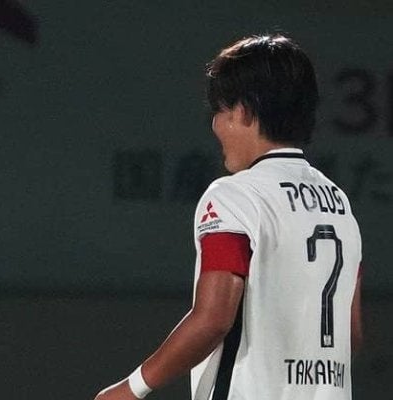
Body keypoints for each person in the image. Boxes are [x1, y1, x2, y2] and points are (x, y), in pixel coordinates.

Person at [94, 34, 363, 400]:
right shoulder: (339, 203)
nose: (215, 125)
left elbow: (213, 319)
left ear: (244, 110)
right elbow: (350, 334)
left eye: (219, 111)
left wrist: (131, 388)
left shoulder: (235, 196)